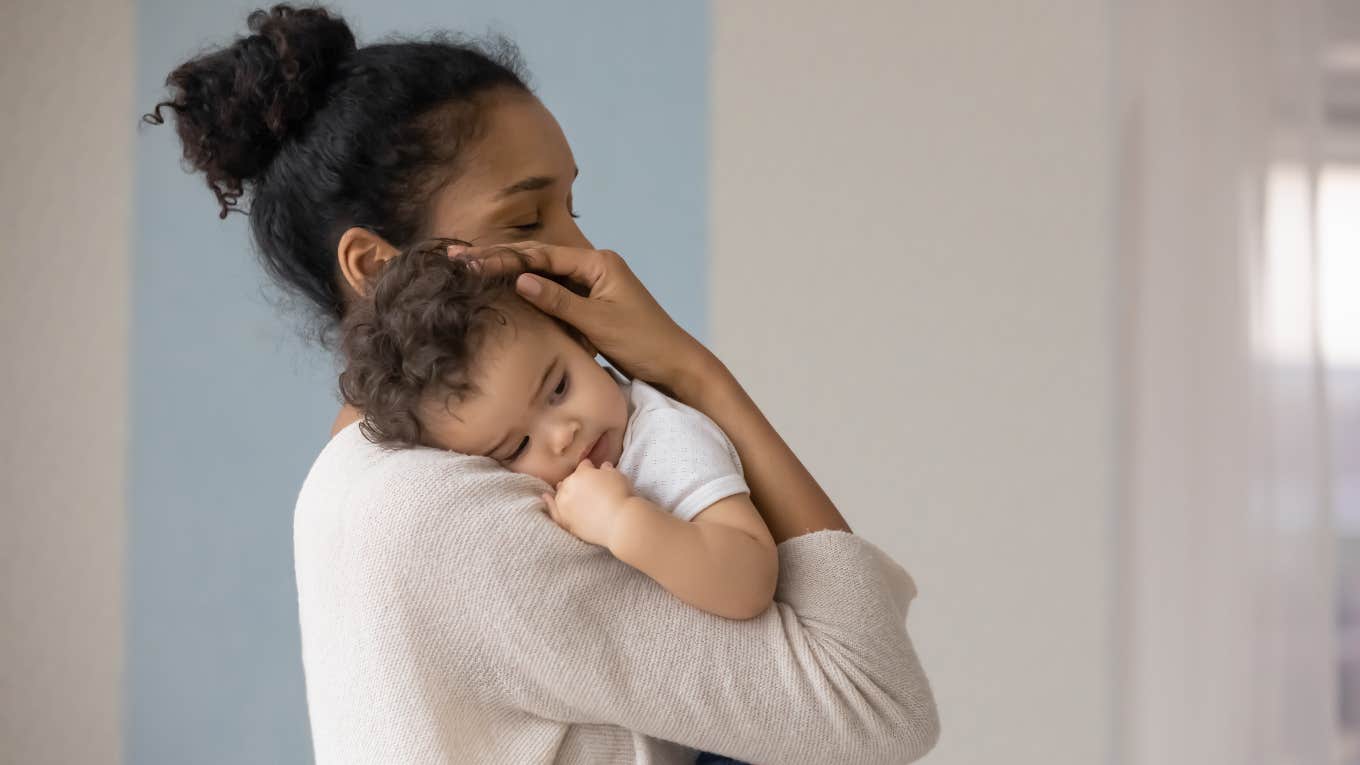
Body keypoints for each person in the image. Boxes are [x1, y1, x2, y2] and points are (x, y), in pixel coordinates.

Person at [144, 4, 940, 763]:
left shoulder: (376, 482)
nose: (593, 257)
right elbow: (875, 703)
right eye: (527, 222)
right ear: (379, 268)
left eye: (572, 208)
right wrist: (695, 373)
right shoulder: (443, 515)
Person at [337, 242, 779, 623]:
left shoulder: (664, 439)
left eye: (559, 388)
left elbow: (750, 578)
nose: (563, 435)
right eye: (518, 447)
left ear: (581, 339)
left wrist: (622, 522)